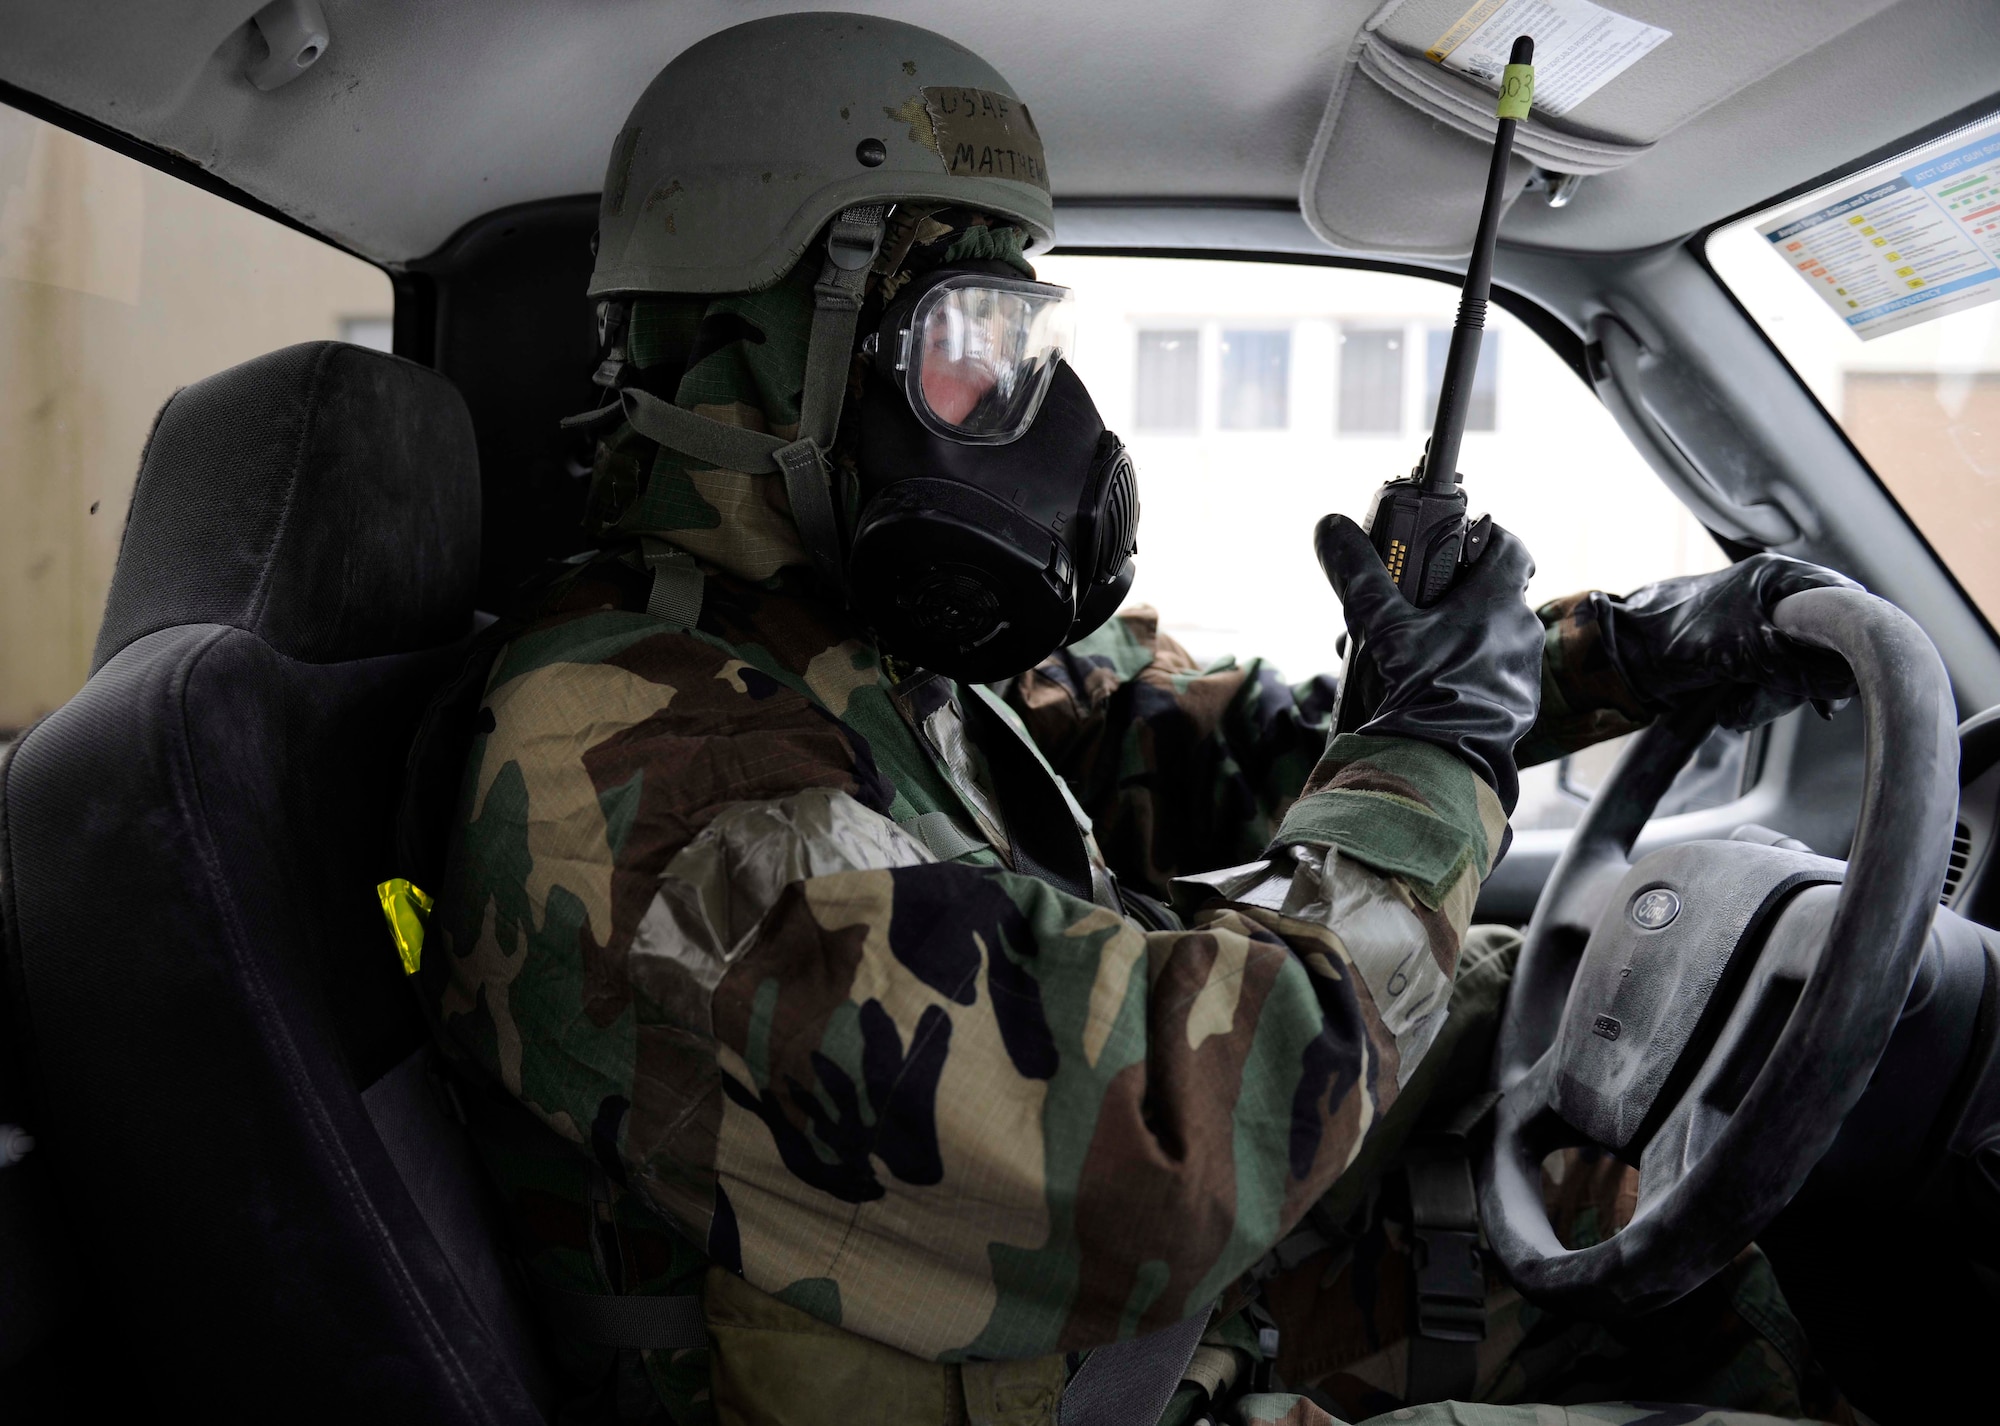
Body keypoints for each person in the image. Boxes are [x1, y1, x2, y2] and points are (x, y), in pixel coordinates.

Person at [416, 14, 1861, 1425]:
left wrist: (1606, 658)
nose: (1020, 406)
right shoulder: (633, 769)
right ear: (757, 351)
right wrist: (1437, 758)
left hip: (1141, 1320)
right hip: (1121, 1330)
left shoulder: (840, 648)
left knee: (1641, 1191)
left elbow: (1201, 753)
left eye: (1018, 337)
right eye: (960, 335)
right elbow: (1175, 1138)